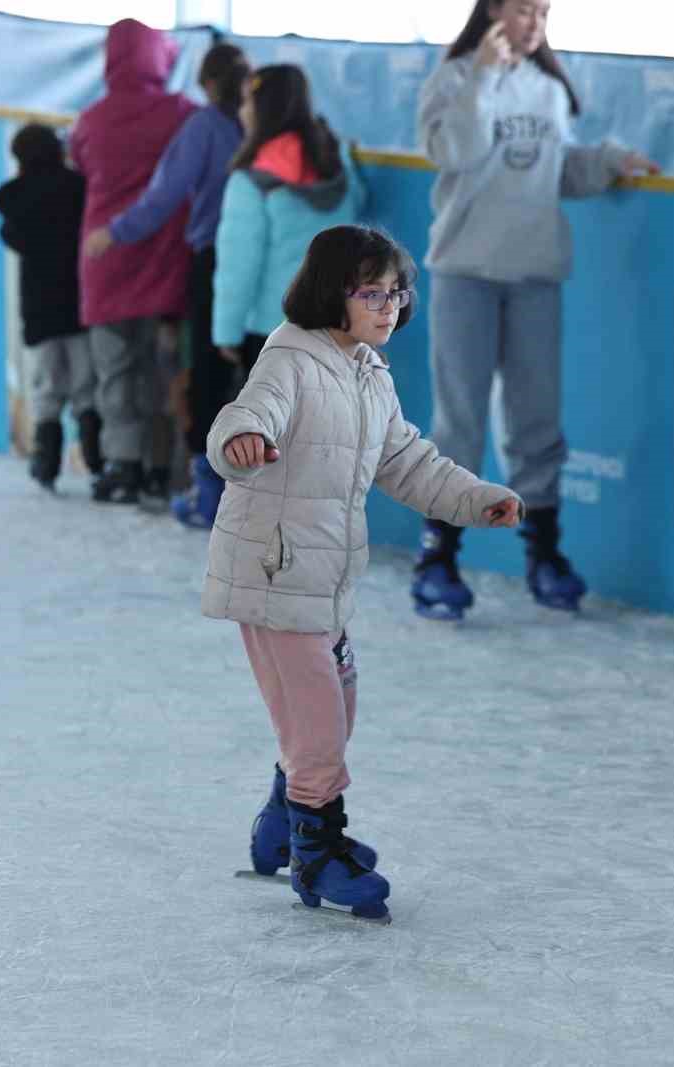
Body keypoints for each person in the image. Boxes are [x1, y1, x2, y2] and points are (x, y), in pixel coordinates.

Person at [203, 226, 523, 921]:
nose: (389, 306)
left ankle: (284, 823)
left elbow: (406, 462)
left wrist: (476, 500)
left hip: (324, 579)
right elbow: (246, 412)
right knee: (317, 725)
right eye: (371, 293)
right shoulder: (290, 355)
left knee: (335, 711)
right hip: (275, 571)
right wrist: (241, 440)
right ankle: (317, 853)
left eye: (397, 293)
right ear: (332, 294)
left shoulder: (367, 371)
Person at [413, 0, 657, 619]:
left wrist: (607, 163)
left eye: (544, 12)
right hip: (466, 270)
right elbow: (457, 152)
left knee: (535, 419)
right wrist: (484, 78)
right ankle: (439, 556)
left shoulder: (548, 88)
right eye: (525, 9)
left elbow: (556, 170)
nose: (535, 23)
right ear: (494, 9)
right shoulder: (451, 79)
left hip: (534, 273)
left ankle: (544, 553)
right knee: (460, 419)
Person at [83, 42, 252, 530]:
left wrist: (115, 232)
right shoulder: (263, 126)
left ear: (207, 84)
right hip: (271, 275)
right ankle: (256, 491)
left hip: (215, 261)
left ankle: (210, 490)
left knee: (208, 374)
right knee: (263, 377)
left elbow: (165, 195)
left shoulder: (202, 128)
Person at [70, 19, 197, 504]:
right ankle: (161, 468)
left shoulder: (90, 120)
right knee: (162, 371)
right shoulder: (183, 114)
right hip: (167, 262)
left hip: (105, 261)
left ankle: (121, 466)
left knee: (116, 371)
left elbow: (80, 164)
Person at [211, 65, 366, 402]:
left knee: (276, 438)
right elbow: (357, 208)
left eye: (246, 103)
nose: (241, 112)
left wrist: (227, 332)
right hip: (336, 325)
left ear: (261, 110)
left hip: (272, 330)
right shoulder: (336, 165)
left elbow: (239, 266)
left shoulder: (251, 183)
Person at [0, 123, 99, 490]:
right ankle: (97, 454)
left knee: (46, 385)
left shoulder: (18, 198)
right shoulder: (78, 189)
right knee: (87, 382)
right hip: (80, 302)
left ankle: (46, 459)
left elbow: (8, 230)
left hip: (39, 307)